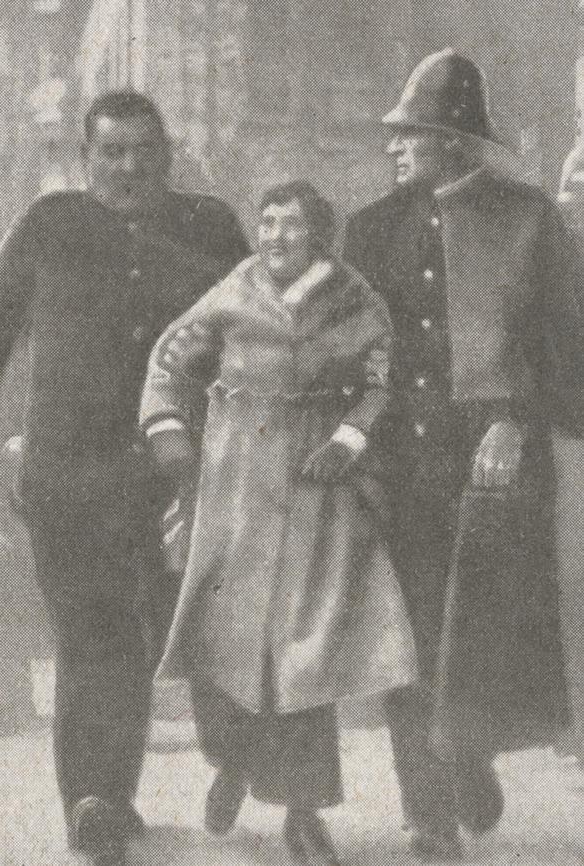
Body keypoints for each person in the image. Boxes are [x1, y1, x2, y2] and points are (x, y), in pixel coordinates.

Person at [0, 90, 248, 866]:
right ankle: (95, 800)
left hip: (180, 476)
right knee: (93, 639)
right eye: (111, 152)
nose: (128, 166)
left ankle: (182, 771)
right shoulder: (48, 227)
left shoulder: (209, 227)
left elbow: (261, 332)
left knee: (171, 638)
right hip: (69, 477)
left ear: (166, 155)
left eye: (144, 150)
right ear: (86, 158)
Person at [344, 48, 584, 861]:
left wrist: (516, 418)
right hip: (403, 461)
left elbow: (568, 349)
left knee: (478, 636)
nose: (395, 147)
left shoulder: (528, 220)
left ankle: (469, 751)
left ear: (452, 138)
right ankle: (429, 814)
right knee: (408, 637)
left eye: (409, 132)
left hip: (496, 461)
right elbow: (350, 352)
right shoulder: (371, 229)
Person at [139, 180, 416, 866]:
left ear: (318, 235)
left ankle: (303, 812)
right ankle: (232, 761)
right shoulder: (233, 291)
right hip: (235, 481)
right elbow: (169, 362)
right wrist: (169, 431)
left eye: (290, 226)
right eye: (266, 223)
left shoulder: (355, 300)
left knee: (305, 649)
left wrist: (350, 438)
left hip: (315, 482)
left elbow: (386, 380)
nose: (274, 237)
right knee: (224, 635)